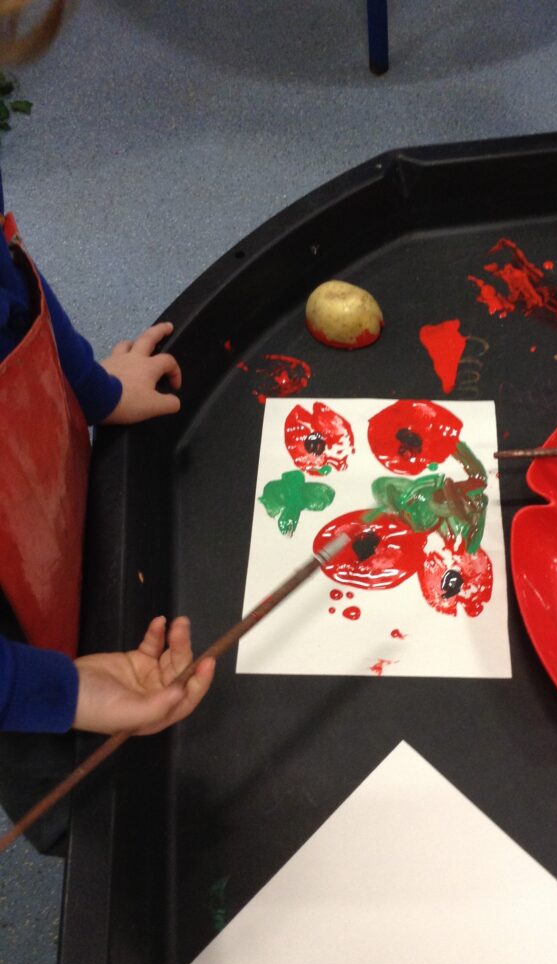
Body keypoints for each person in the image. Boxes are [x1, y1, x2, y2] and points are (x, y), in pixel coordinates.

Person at [0, 0, 214, 853]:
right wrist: (57, 693)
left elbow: (9, 274)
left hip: (33, 492)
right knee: (74, 795)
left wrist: (90, 387)